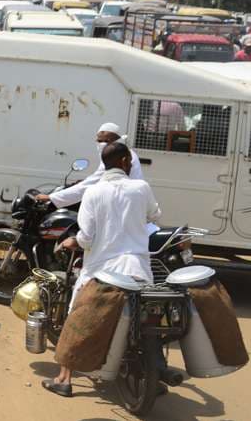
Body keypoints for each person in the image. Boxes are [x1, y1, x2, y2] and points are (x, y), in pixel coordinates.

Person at [42, 142, 161, 397]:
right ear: (126, 162)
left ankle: (64, 378)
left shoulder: (93, 193)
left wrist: (75, 241)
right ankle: (156, 372)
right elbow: (155, 215)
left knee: (76, 317)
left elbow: (86, 237)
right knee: (149, 314)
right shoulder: (141, 188)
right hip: (137, 270)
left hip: (100, 272)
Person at [35, 123, 144, 208]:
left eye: (105, 141)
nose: (100, 144)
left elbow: (91, 183)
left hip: (120, 208)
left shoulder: (117, 156)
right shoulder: (123, 153)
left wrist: (52, 197)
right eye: (99, 141)